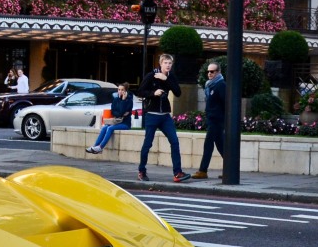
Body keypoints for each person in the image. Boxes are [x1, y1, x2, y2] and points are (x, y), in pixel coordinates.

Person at [137, 53, 191, 183]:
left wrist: (166, 79)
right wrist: (153, 93)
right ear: (160, 64)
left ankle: (177, 173)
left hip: (165, 116)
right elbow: (140, 92)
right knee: (148, 144)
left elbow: (178, 92)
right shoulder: (151, 76)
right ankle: (141, 171)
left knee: (174, 142)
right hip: (152, 115)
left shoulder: (171, 77)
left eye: (170, 63)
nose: (168, 65)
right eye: (165, 63)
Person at [195, 61, 226, 179]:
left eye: (212, 71)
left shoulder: (221, 85)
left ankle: (203, 170)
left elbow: (225, 103)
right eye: (208, 71)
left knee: (208, 144)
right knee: (220, 145)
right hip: (212, 119)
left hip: (217, 120)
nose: (209, 73)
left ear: (218, 72)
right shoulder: (210, 85)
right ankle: (230, 169)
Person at [86, 83, 133, 154]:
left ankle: (100, 147)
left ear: (126, 91)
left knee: (110, 128)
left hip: (125, 124)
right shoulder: (116, 100)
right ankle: (95, 147)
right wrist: (120, 113)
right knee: (105, 127)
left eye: (122, 90)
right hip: (116, 121)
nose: (120, 91)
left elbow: (121, 111)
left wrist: (123, 101)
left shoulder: (129, 101)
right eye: (119, 89)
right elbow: (113, 111)